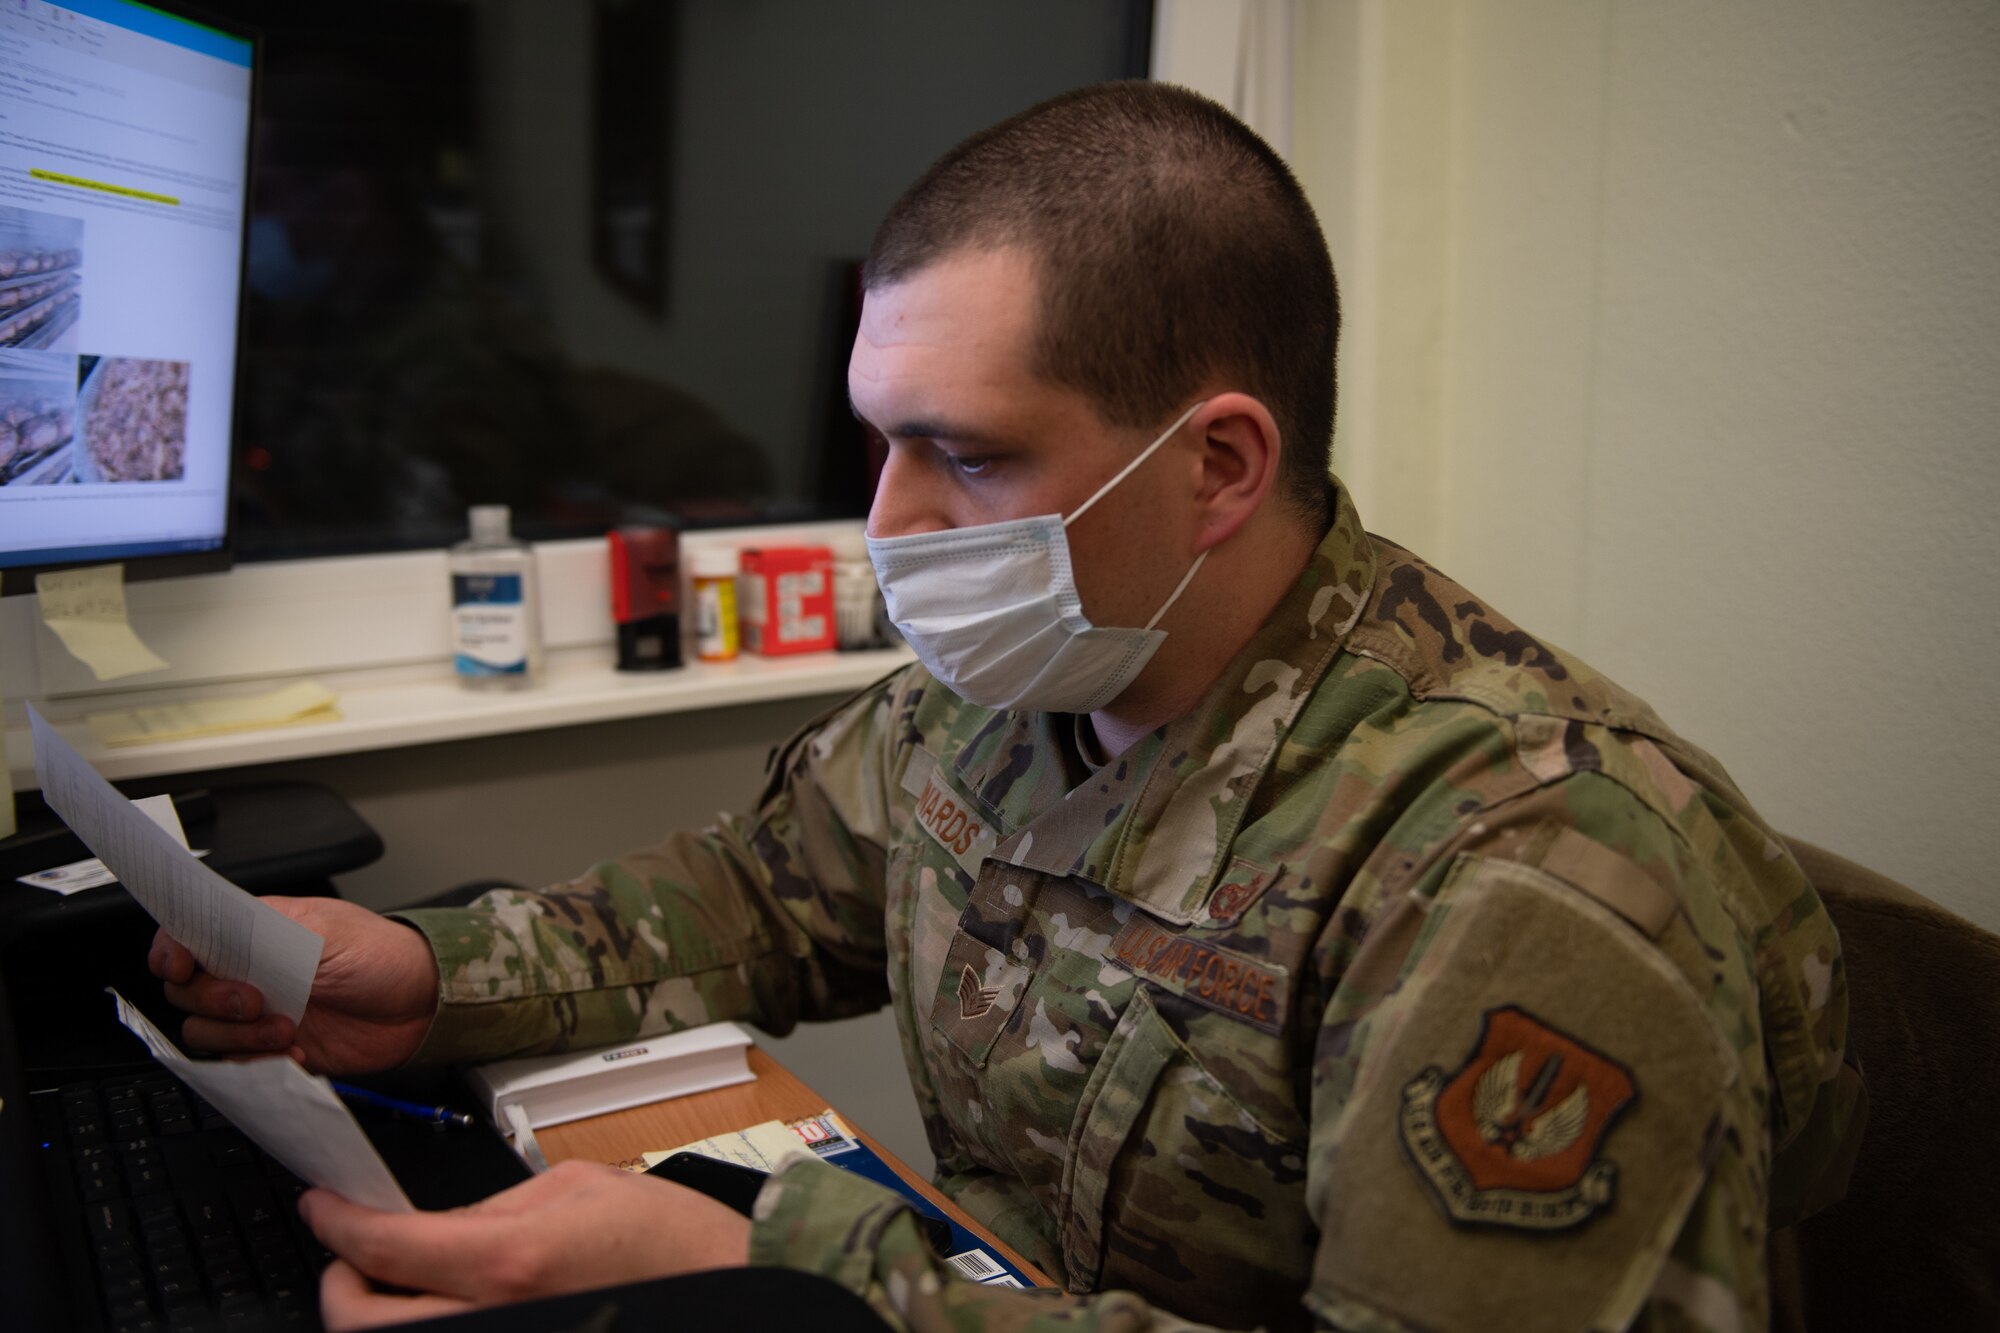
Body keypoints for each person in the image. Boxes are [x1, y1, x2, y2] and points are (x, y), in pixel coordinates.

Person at [150, 83, 1860, 1332]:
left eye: (964, 455)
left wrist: (781, 1273)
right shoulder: (1025, 680)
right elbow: (766, 892)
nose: (886, 524)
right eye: (878, 441)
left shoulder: (1526, 872)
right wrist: (434, 974)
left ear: (1218, 465)